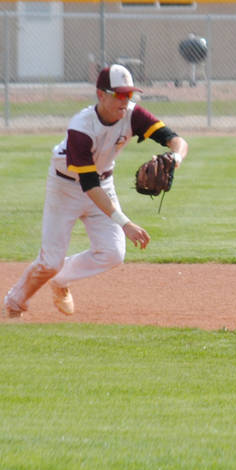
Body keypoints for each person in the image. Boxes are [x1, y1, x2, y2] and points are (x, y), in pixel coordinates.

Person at [3, 64, 188, 318]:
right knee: (50, 261)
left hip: (103, 183)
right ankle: (14, 303)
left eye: (129, 94)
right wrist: (126, 223)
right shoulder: (81, 127)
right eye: (120, 94)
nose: (126, 100)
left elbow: (176, 140)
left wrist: (175, 158)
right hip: (66, 187)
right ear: (101, 95)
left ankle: (61, 281)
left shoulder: (133, 115)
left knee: (112, 253)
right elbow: (88, 185)